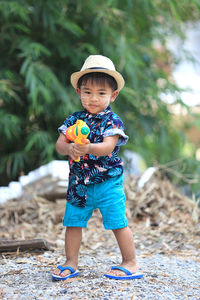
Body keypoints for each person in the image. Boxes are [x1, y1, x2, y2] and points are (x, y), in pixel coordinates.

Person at [52, 55, 143, 280]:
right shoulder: (74, 119)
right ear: (78, 92)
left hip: (107, 183)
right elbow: (60, 144)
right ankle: (70, 261)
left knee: (117, 222)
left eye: (101, 93)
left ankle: (130, 261)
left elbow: (107, 147)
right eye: (88, 92)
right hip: (79, 183)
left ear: (113, 95)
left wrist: (87, 147)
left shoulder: (113, 121)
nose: (93, 98)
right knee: (73, 222)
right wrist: (69, 149)